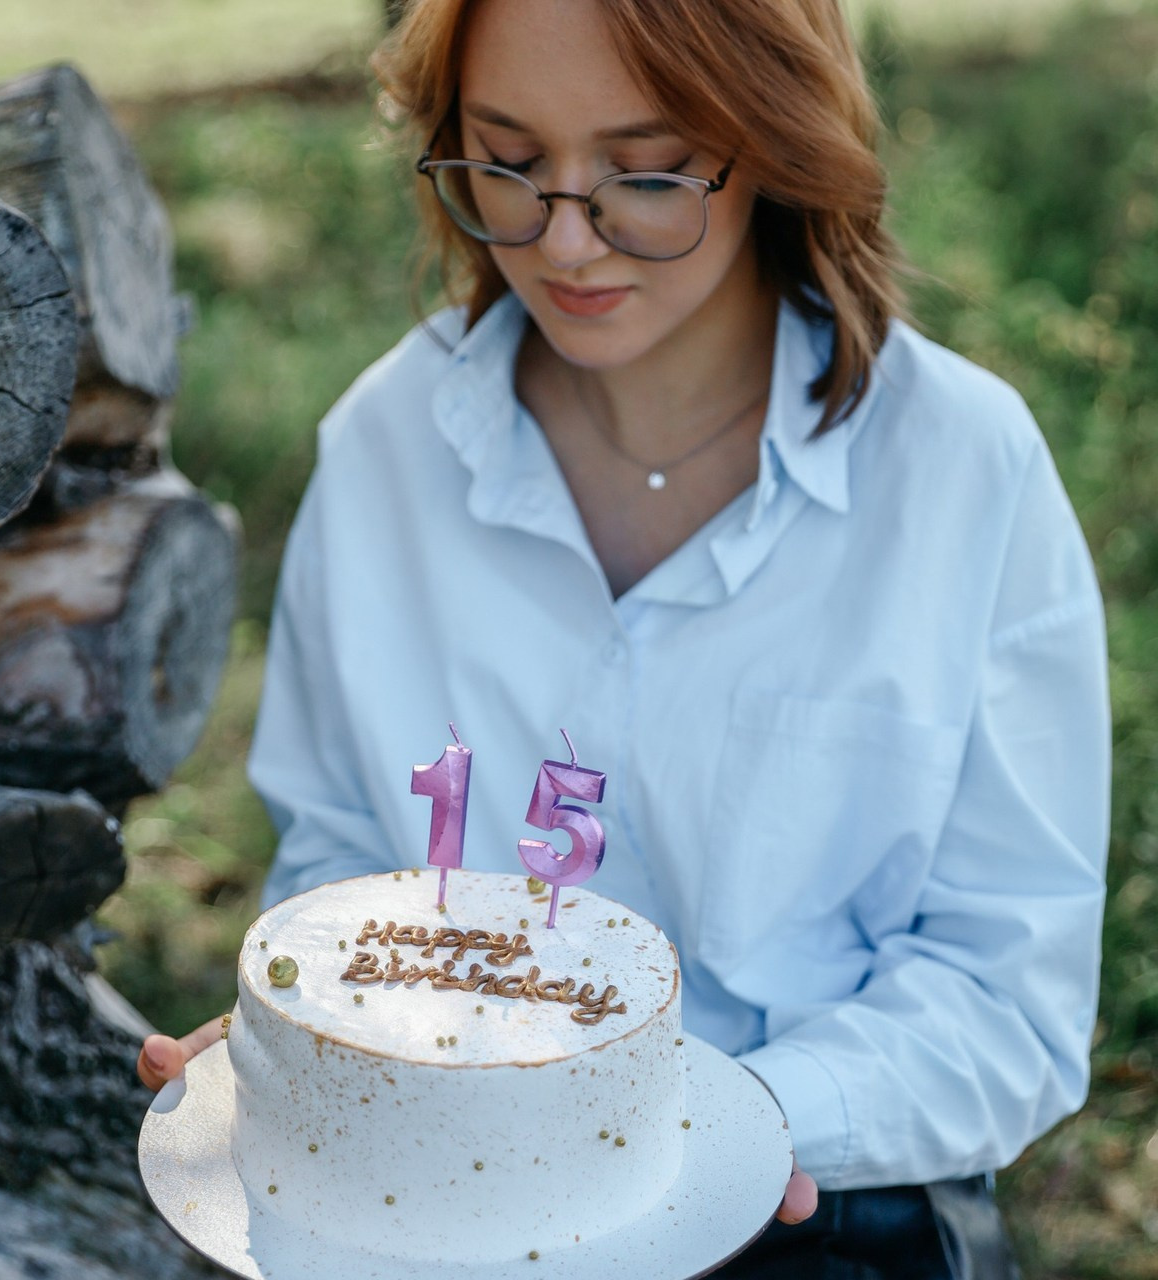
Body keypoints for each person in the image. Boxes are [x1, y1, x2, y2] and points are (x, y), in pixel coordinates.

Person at [138, 0, 1111, 1274]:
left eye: (642, 172)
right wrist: (306, 1036)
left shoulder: (958, 474)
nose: (565, 236)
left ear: (772, 138)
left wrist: (697, 1130)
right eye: (508, 160)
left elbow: (1006, 996)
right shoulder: (383, 449)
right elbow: (343, 849)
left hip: (816, 1198)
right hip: (434, 1194)